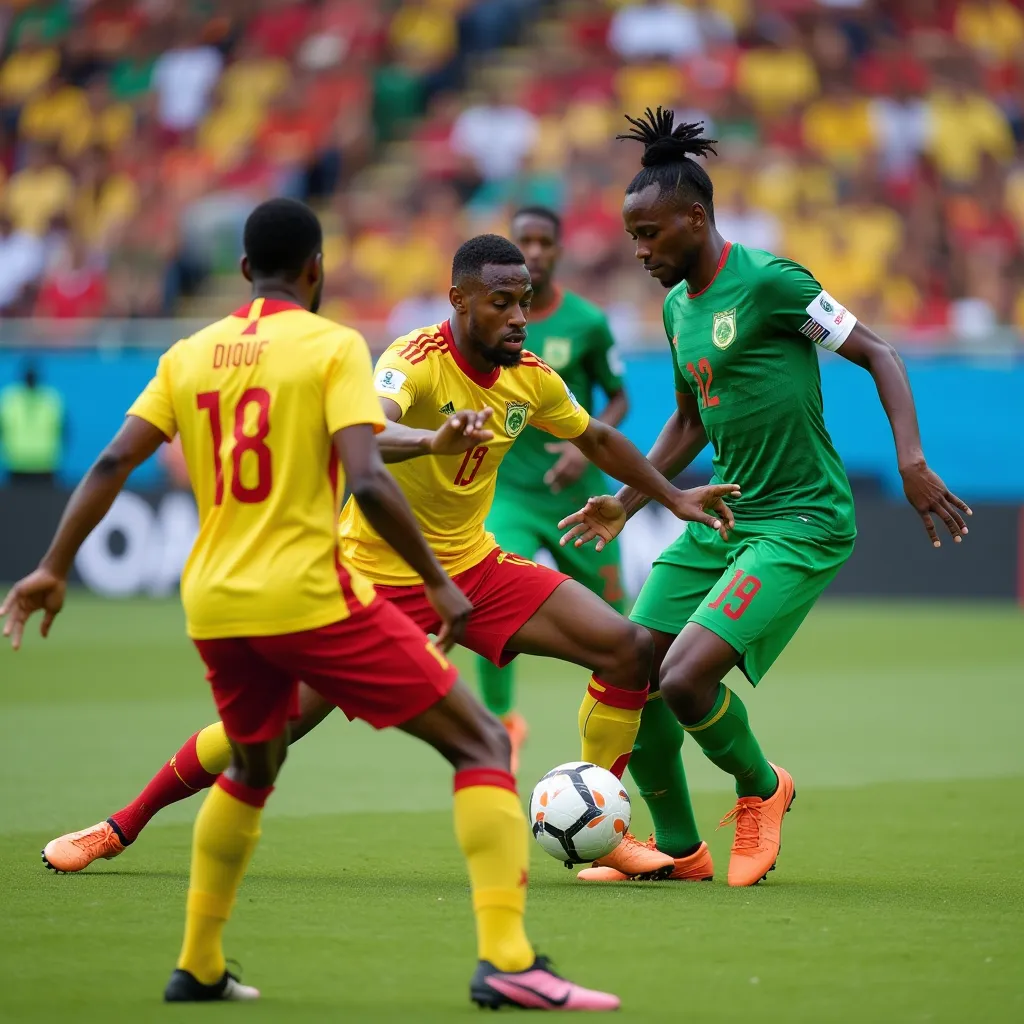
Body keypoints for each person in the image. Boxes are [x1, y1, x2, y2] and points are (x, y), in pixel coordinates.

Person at [1, 199, 619, 1011]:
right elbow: (366, 475)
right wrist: (436, 576)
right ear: (317, 269)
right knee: (481, 741)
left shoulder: (188, 353)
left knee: (254, 757)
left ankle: (186, 942)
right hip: (320, 588)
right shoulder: (333, 347)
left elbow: (116, 459)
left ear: (242, 269)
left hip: (213, 596)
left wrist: (52, 566)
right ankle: (508, 959)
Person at [40, 233, 739, 885]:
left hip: (475, 570)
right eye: (501, 303)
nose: (519, 318)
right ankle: (121, 825)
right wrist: (434, 439)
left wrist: (670, 495)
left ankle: (599, 823)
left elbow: (598, 439)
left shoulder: (530, 376)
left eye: (525, 302)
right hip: (369, 583)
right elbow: (370, 432)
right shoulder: (414, 360)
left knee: (625, 648)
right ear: (459, 300)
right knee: (265, 729)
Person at [559, 108, 972, 887]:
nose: (640, 251)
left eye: (650, 234)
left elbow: (879, 353)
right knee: (632, 663)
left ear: (695, 218)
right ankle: (679, 852)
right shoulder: (678, 308)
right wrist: (627, 499)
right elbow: (689, 421)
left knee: (685, 679)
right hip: (725, 518)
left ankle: (761, 788)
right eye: (632, 237)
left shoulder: (772, 283)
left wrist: (911, 460)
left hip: (801, 521)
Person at [477, 207, 630, 769]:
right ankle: (501, 725)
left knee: (620, 625)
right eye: (526, 241)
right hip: (511, 495)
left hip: (580, 498)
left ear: (560, 250)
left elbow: (619, 396)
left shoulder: (587, 322)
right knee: (486, 598)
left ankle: (622, 720)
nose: (536, 251)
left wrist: (579, 446)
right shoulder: (489, 322)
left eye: (545, 241)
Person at [0, 362, 65, 484]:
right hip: (42, 463)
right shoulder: (51, 399)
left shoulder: (9, 399)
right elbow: (64, 431)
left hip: (18, 462)